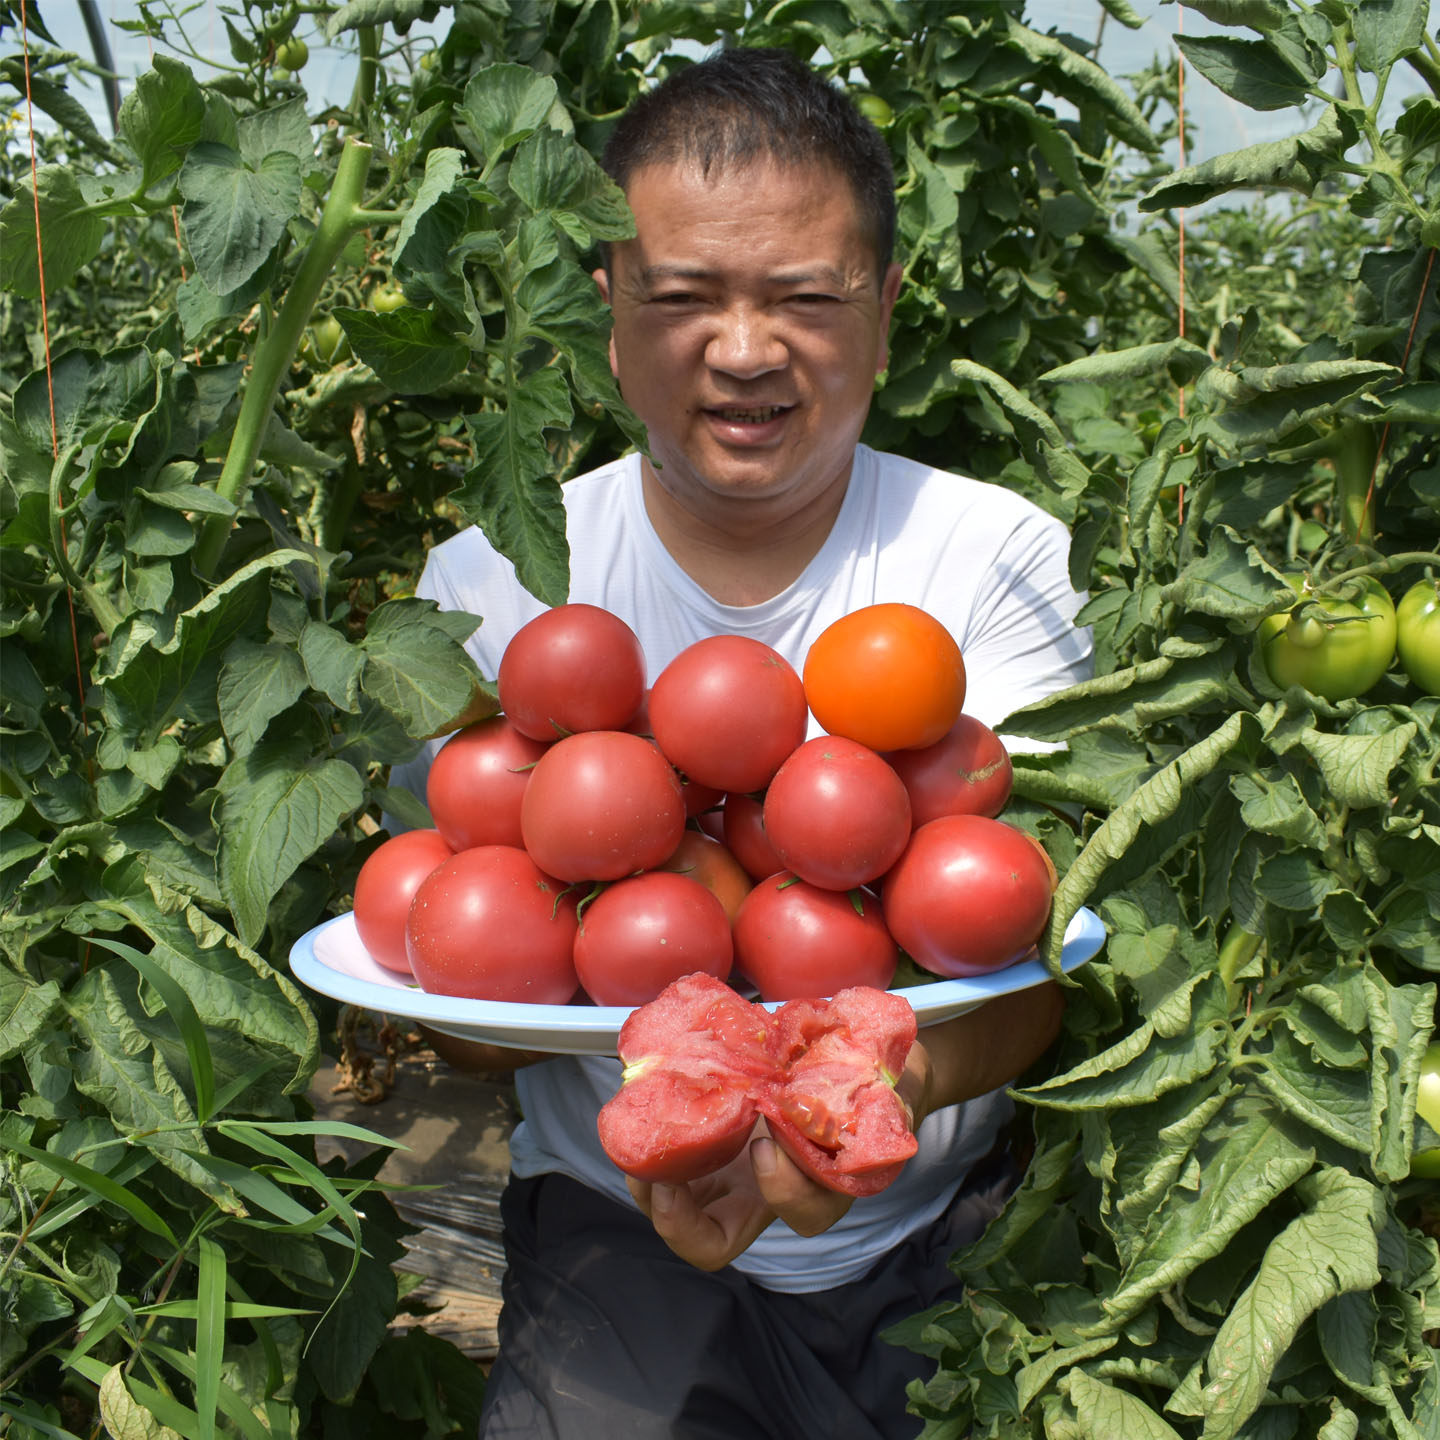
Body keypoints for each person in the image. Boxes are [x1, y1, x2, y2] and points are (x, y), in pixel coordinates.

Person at [393, 45, 1092, 1440]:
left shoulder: (991, 555)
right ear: (607, 312)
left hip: (944, 1231)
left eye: (807, 299)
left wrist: (866, 1091)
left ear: (885, 314)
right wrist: (546, 1020)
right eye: (684, 297)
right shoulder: (497, 585)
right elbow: (454, 999)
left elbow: (1033, 968)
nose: (746, 348)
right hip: (610, 1223)